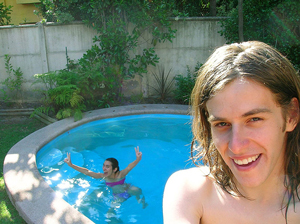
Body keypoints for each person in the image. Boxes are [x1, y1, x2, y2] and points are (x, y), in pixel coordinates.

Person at [163, 41, 300, 224]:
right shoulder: (191, 193)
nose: (236, 146)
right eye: (222, 124)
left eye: (254, 119)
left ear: (291, 116)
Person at [64, 146, 147, 208]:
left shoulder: (121, 174)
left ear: (114, 169)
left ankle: (139, 199)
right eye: (104, 166)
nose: (104, 168)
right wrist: (71, 165)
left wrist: (138, 159)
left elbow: (129, 167)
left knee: (138, 190)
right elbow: (87, 171)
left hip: (128, 189)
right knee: (111, 211)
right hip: (118, 195)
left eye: (107, 166)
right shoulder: (103, 176)